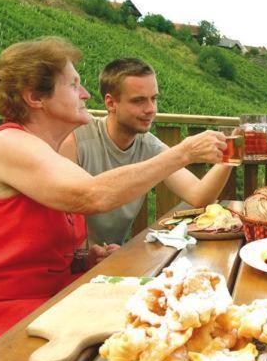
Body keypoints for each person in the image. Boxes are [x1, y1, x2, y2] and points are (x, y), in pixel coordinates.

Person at [0, 37, 226, 361]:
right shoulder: (6, 144)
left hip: (25, 301)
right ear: (35, 97)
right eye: (74, 85)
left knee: (140, 333)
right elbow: (92, 195)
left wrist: (81, 259)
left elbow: (25, 243)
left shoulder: (45, 155)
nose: (86, 94)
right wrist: (184, 152)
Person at [59, 58, 232, 245]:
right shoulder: (76, 138)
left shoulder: (149, 145)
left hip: (111, 259)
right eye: (139, 100)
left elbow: (200, 196)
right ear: (111, 103)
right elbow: (58, 215)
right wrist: (85, 255)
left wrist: (233, 152)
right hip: (71, 265)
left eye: (154, 98)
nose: (151, 109)